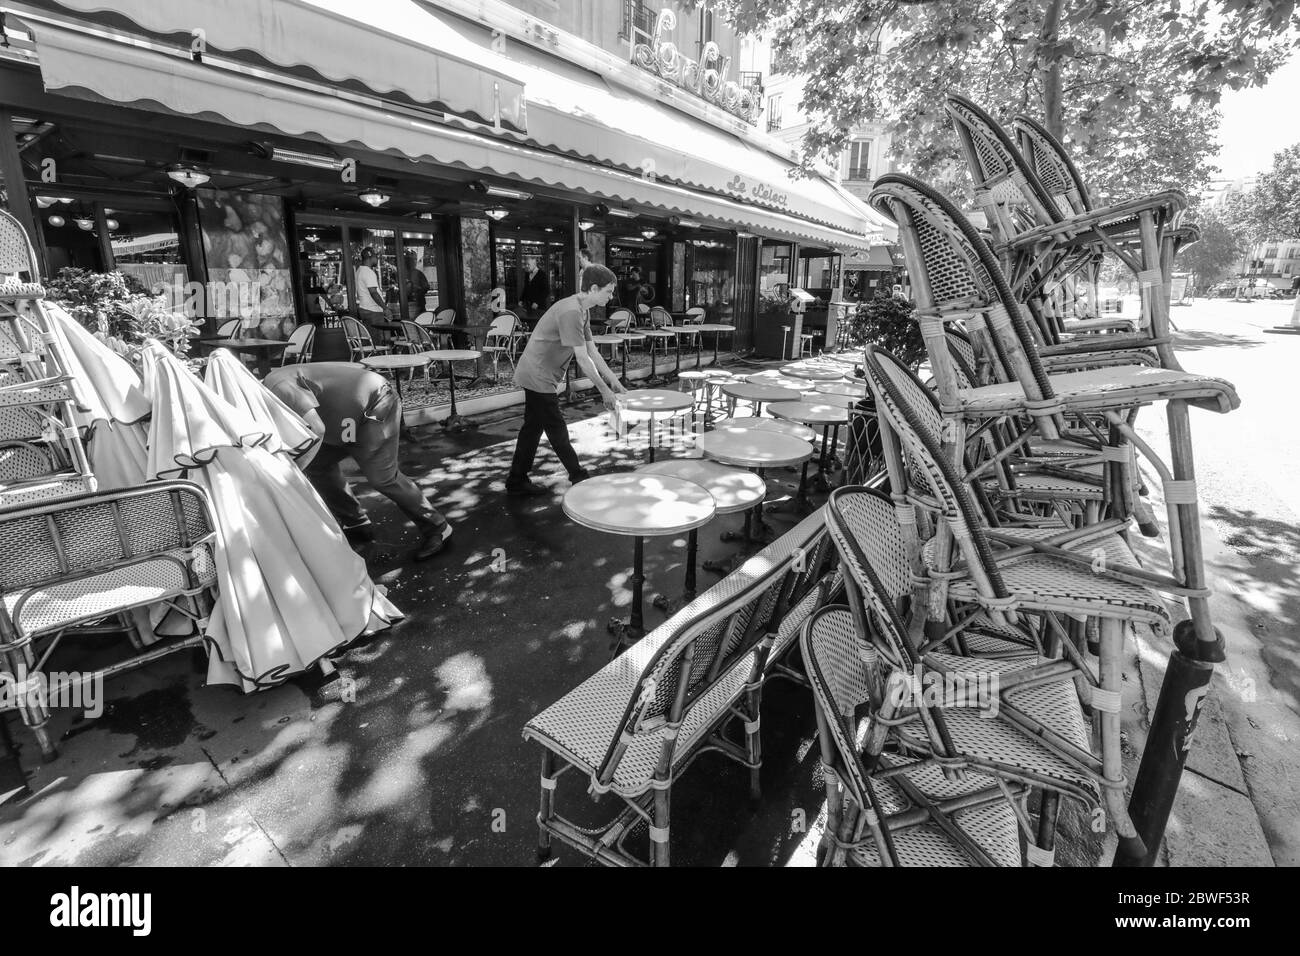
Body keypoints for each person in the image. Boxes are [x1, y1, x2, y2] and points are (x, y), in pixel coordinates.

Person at [264, 362, 453, 560]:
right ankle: (356, 522)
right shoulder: (267, 390)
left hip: (375, 404)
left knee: (383, 478)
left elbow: (316, 429)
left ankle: (438, 527)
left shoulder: (277, 387)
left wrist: (294, 472)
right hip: (345, 421)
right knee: (318, 465)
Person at [506, 264, 626, 496]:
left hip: (540, 374)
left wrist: (615, 382)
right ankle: (578, 476)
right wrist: (604, 391)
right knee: (556, 428)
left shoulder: (583, 309)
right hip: (537, 374)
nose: (611, 297)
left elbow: (593, 352)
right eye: (608, 291)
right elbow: (582, 358)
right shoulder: (571, 311)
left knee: (532, 429)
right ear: (593, 288)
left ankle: (516, 479)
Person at [354, 247, 387, 329]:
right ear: (370, 257)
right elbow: (373, 293)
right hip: (373, 311)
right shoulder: (368, 272)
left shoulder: (359, 270)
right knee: (377, 338)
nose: (377, 259)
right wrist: (385, 308)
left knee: (370, 337)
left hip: (365, 309)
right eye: (376, 257)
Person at [521, 256, 549, 323]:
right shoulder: (527, 274)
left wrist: (537, 302)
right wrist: (521, 299)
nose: (526, 266)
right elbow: (526, 289)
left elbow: (546, 290)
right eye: (525, 264)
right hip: (529, 307)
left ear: (534, 264)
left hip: (540, 308)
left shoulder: (542, 274)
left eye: (528, 264)